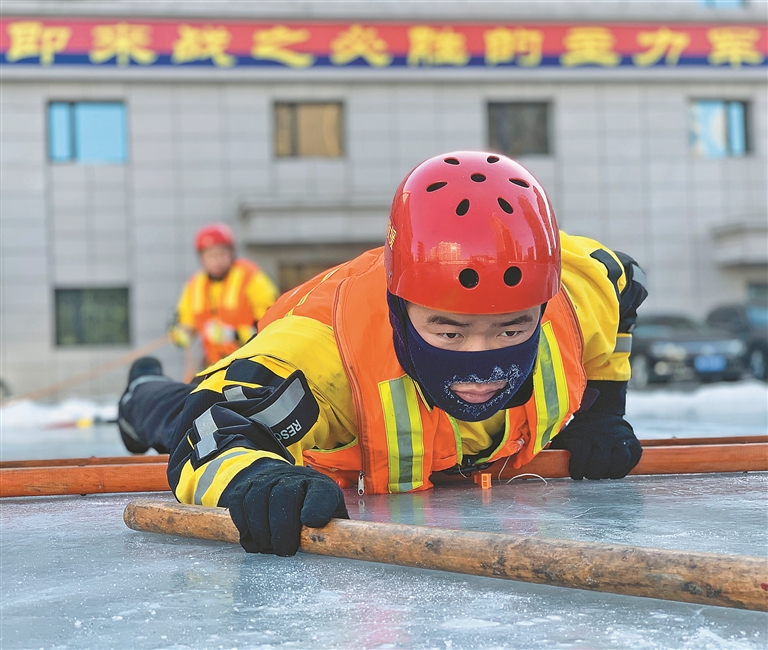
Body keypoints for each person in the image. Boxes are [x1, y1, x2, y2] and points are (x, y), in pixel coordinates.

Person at [118, 151, 648, 557]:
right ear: (400, 308)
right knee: (178, 413)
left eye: (511, 328)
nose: (483, 361)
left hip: (446, 439)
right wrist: (256, 479)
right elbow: (209, 423)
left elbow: (625, 282)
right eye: (450, 333)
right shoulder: (325, 352)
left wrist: (601, 414)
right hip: (309, 413)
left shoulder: (578, 294)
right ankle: (141, 393)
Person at [168, 222, 280, 367]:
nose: (217, 261)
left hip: (251, 361)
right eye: (210, 256)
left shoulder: (251, 277)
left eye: (221, 254)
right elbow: (186, 321)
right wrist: (181, 335)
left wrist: (233, 334)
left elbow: (272, 323)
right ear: (202, 258)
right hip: (214, 364)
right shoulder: (194, 285)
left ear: (231, 253)